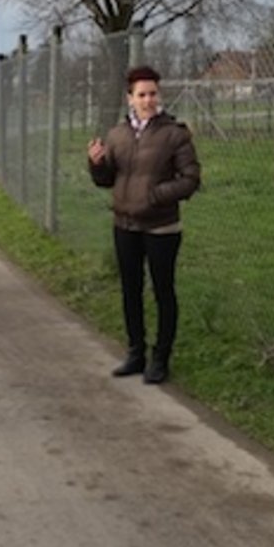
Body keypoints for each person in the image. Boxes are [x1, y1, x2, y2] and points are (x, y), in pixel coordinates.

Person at [87, 65, 201, 385]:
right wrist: (96, 164)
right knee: (130, 290)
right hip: (125, 224)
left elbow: (191, 180)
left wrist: (155, 195)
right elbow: (107, 179)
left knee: (163, 291)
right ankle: (135, 353)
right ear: (130, 98)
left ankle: (160, 358)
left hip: (161, 227)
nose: (148, 100)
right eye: (141, 95)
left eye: (152, 94)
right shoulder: (117, 135)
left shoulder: (175, 134)